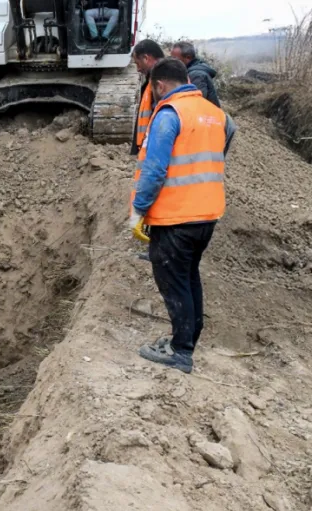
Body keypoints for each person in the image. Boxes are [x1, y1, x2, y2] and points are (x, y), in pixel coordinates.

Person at [127, 59, 236, 374]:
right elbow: (224, 141)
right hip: (207, 215)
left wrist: (138, 211)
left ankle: (180, 352)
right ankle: (186, 339)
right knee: (188, 277)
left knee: (173, 282)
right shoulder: (216, 115)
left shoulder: (169, 114)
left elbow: (154, 171)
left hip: (175, 217)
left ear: (159, 85)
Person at [131, 38, 166, 157]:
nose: (138, 69)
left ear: (146, 58)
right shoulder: (155, 78)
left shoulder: (162, 79)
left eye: (138, 63)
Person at [170, 41, 221, 107]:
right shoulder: (191, 71)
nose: (172, 62)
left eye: (175, 59)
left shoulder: (196, 75)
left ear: (188, 58)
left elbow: (197, 104)